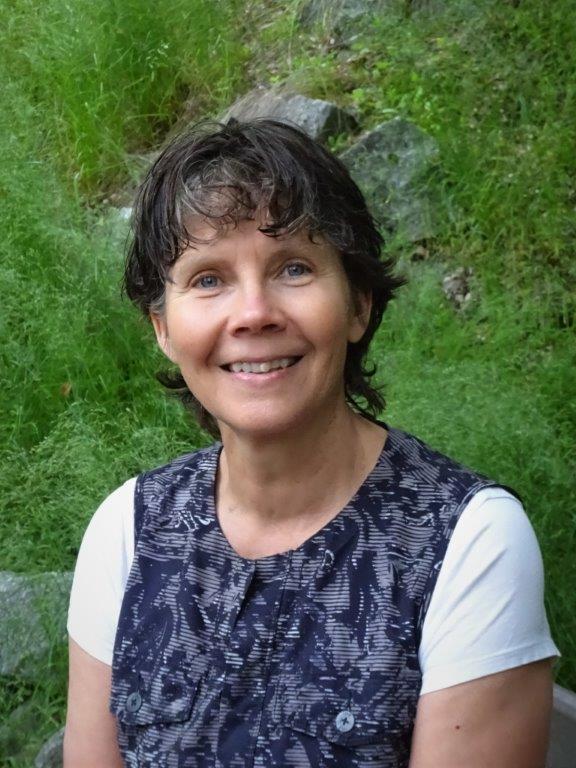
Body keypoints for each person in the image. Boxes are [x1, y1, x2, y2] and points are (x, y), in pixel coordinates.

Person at [64, 119, 560, 768]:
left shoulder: (470, 546)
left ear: (357, 304)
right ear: (162, 326)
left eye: (293, 267)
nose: (253, 313)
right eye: (208, 279)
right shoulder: (127, 531)